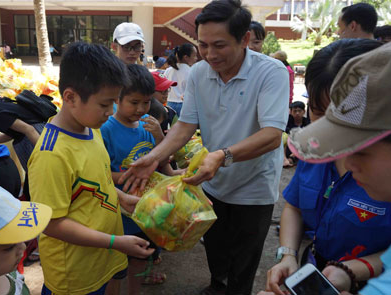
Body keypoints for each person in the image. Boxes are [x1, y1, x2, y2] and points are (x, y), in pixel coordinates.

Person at [120, 1, 290, 294]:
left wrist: (222, 156)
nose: (210, 54)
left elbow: (273, 135)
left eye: (219, 45)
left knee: (245, 258)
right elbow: (185, 126)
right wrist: (154, 157)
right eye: (203, 45)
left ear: (245, 39)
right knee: (214, 245)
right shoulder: (199, 72)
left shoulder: (270, 72)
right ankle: (216, 284)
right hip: (210, 183)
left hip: (254, 186)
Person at [262, 39, 391, 295]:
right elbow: (295, 206)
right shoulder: (314, 148)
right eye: (319, 112)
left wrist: (357, 269)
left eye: (344, 115)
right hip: (319, 273)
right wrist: (288, 255)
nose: (330, 129)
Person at [28, 42, 155, 295]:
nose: (111, 112)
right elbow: (51, 223)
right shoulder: (52, 155)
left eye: (114, 103)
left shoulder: (91, 128)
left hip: (100, 258)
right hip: (73, 274)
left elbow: (97, 181)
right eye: (105, 104)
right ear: (71, 97)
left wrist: (121, 198)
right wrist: (114, 242)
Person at [101, 64, 173, 293]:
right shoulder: (106, 130)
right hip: (118, 212)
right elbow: (99, 173)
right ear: (117, 98)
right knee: (116, 268)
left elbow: (160, 160)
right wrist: (125, 175)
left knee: (140, 259)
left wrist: (160, 136)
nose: (142, 108)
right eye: (134, 102)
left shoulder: (147, 126)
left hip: (145, 209)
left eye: (147, 102)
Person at [164, 43, 198, 115]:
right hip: (185, 104)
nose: (196, 58)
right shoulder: (191, 71)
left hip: (169, 103)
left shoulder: (168, 70)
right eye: (194, 56)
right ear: (186, 57)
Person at [283, 101, 310, 167]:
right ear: (291, 112)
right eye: (295, 111)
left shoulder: (307, 122)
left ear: (304, 111)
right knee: (284, 136)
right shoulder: (286, 121)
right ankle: (284, 159)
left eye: (299, 111)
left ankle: (292, 158)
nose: (297, 113)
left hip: (299, 148)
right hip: (288, 147)